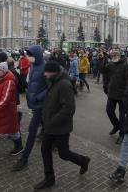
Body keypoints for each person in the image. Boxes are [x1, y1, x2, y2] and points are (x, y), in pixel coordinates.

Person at [34, 61, 90, 190]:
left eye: (47, 72)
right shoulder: (54, 82)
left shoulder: (64, 85)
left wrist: (52, 120)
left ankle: (83, 161)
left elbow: (69, 109)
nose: (45, 74)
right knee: (45, 150)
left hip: (60, 128)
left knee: (63, 154)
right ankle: (49, 179)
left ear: (54, 72)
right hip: (50, 126)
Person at [12, 45, 47, 171]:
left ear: (37, 55)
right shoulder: (33, 66)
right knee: (47, 127)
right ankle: (56, 142)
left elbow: (50, 86)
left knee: (32, 131)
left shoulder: (44, 67)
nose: (29, 57)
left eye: (31, 55)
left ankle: (24, 158)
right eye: (28, 54)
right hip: (34, 103)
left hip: (40, 105)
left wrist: (38, 97)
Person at [103, 49, 128, 144]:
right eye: (112, 56)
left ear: (119, 56)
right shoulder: (111, 64)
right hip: (112, 93)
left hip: (123, 95)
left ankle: (122, 134)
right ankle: (117, 125)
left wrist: (126, 95)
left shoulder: (127, 65)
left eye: (115, 56)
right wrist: (104, 60)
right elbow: (104, 72)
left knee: (122, 116)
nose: (113, 57)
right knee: (109, 111)